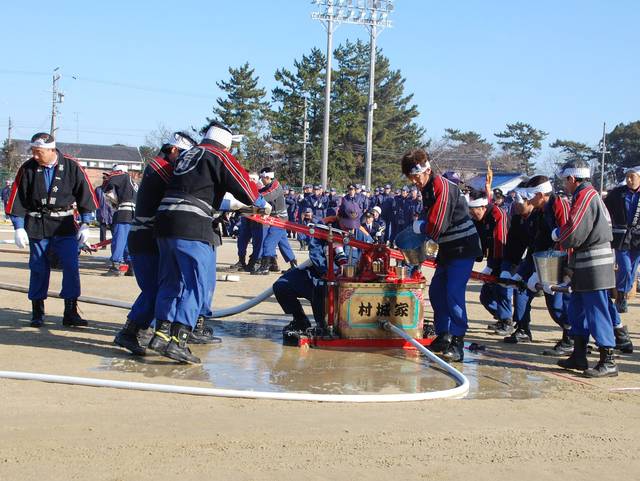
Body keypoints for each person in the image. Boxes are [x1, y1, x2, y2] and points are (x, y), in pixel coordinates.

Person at [149, 121, 270, 364]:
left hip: (164, 223)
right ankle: (179, 340)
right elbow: (244, 185)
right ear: (226, 142)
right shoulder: (218, 155)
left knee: (171, 281)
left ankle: (160, 335)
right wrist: (260, 202)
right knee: (198, 284)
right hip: (192, 226)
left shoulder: (187, 154)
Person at [113, 132, 198, 356]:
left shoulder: (159, 167)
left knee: (158, 288)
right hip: (145, 238)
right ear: (172, 150)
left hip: (151, 237)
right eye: (182, 156)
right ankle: (129, 332)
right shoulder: (162, 169)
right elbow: (188, 189)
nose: (184, 163)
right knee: (155, 289)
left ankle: (136, 331)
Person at [5, 132, 98, 327]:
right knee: (38, 268)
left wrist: (85, 223)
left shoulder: (72, 166)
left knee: (71, 267)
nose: (35, 156)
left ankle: (70, 311)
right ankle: (37, 311)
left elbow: (85, 195)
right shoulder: (27, 168)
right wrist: (19, 227)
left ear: (51, 150)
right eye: (33, 152)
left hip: (64, 225)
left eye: (38, 152)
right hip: (37, 225)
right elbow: (17, 198)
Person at [402, 149, 482, 362]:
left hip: (463, 247)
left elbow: (437, 224)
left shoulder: (442, 186)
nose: (415, 182)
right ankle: (444, 334)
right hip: (448, 249)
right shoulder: (427, 189)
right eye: (411, 179)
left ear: (427, 170)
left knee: (454, 293)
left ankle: (457, 341)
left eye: (416, 177)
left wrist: (422, 227)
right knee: (437, 291)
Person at [553, 160, 622, 377]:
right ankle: (579, 354)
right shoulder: (587, 195)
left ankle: (607, 358)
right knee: (577, 309)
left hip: (594, 263)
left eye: (566, 180)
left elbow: (574, 229)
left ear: (572, 179)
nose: (565, 185)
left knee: (596, 310)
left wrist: (558, 234)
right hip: (585, 263)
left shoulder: (585, 196)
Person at [273, 200, 372, 335]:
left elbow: (370, 258)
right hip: (321, 275)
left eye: (353, 225)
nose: (350, 229)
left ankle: (329, 325)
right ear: (339, 216)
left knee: (323, 293)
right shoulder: (324, 227)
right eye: (346, 224)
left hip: (348, 285)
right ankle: (300, 320)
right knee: (281, 285)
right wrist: (326, 272)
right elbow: (315, 252)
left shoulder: (362, 235)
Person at [468, 192, 512, 333]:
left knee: (501, 289)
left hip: (508, 258)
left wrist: (492, 266)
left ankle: (507, 322)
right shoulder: (478, 219)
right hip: (493, 260)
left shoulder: (497, 215)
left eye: (474, 211)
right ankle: (501, 317)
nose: (472, 214)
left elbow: (501, 243)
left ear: (482, 207)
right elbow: (478, 241)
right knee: (486, 296)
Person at [604, 166, 640, 314]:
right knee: (625, 267)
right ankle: (620, 296)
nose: (629, 180)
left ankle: (623, 293)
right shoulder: (617, 193)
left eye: (632, 177)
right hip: (621, 236)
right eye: (627, 177)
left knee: (632, 269)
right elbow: (604, 209)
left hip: (638, 237)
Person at [251, 166, 297, 275]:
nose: (261, 181)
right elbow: (260, 191)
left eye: (262, 178)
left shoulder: (275, 186)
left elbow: (266, 196)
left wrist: (252, 197)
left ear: (267, 177)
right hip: (274, 219)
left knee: (268, 242)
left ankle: (265, 267)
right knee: (283, 243)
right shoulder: (269, 185)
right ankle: (294, 265)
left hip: (279, 219)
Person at [102, 164, 137, 276]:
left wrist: (107, 185)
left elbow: (110, 184)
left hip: (123, 212)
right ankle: (131, 266)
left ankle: (116, 265)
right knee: (129, 241)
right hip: (134, 213)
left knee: (119, 239)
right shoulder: (134, 182)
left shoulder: (122, 176)